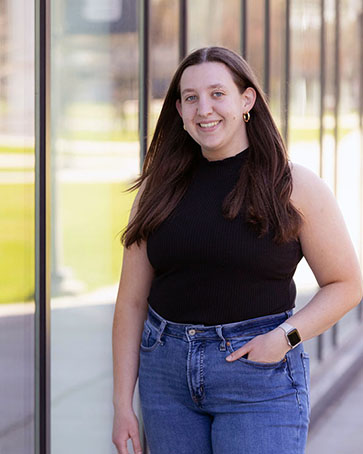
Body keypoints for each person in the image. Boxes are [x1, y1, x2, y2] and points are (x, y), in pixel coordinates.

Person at [111, 46, 362, 454]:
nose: (204, 108)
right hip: (167, 381)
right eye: (190, 98)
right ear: (178, 109)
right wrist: (123, 403)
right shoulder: (158, 191)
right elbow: (132, 302)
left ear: (246, 100)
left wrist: (285, 338)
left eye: (217, 93)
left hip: (258, 378)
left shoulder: (294, 186)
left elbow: (346, 283)